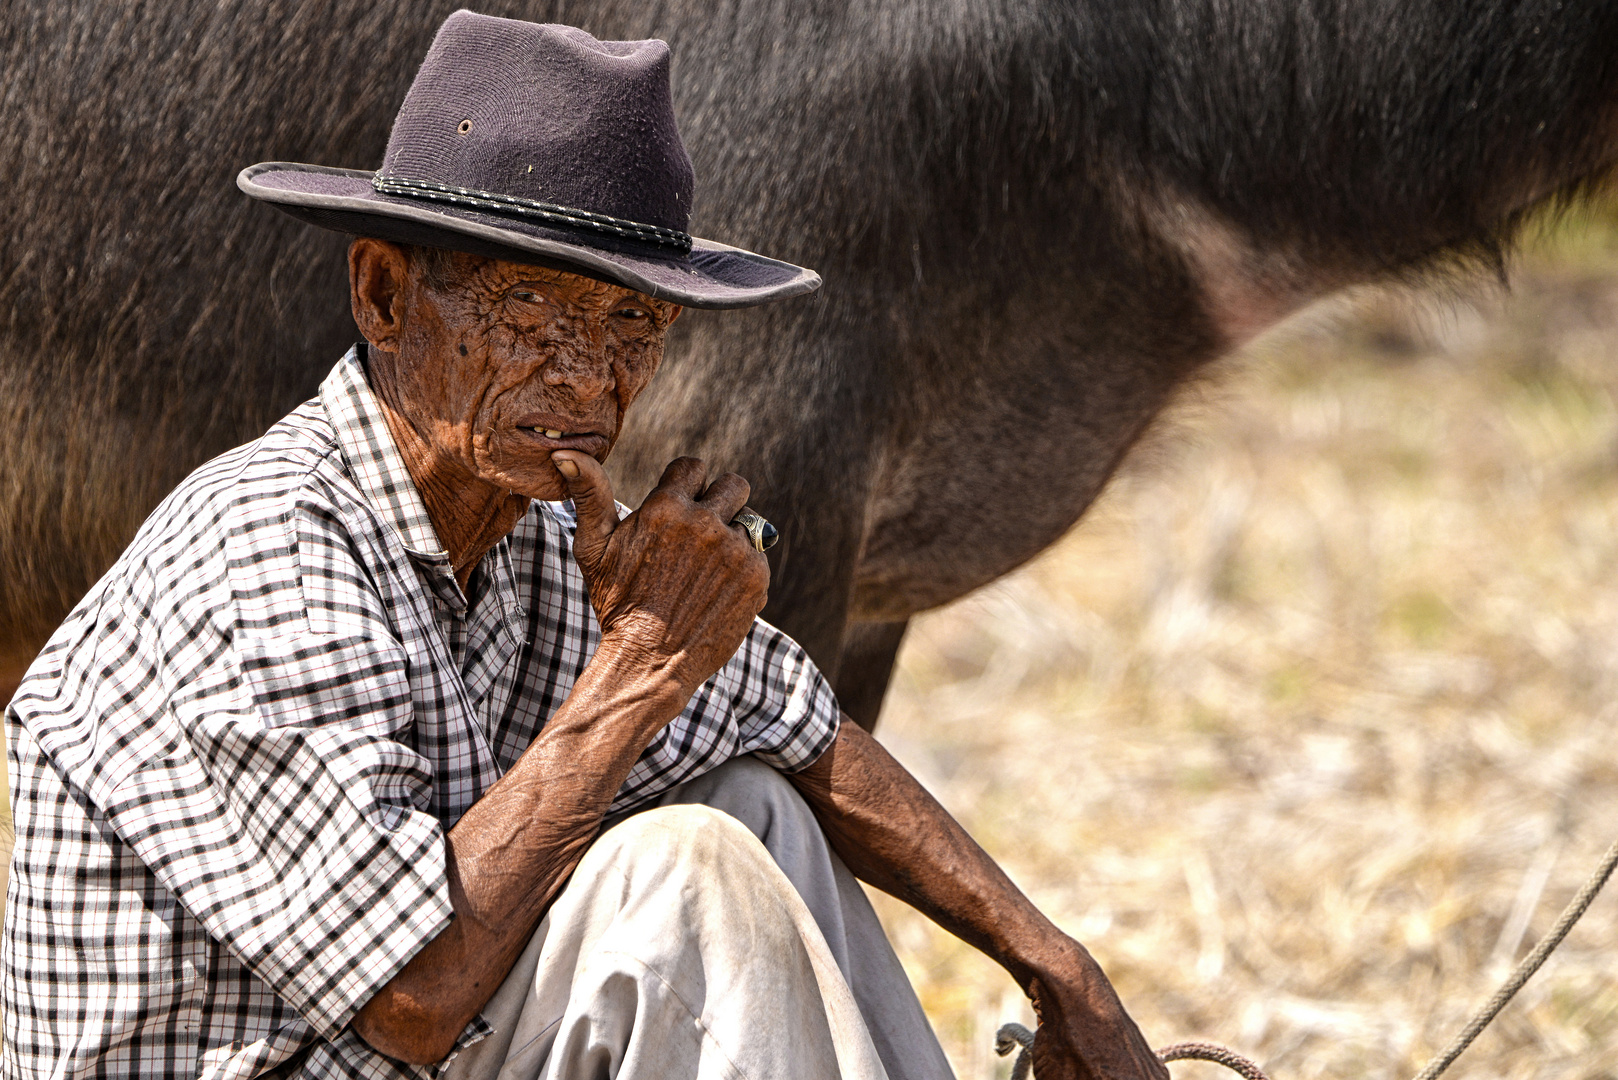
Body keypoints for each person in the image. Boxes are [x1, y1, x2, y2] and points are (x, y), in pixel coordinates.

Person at [2, 12, 1167, 1080]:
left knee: (755, 804)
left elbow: (796, 723)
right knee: (682, 878)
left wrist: (1058, 969)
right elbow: (411, 997)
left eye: (629, 324)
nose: (588, 381)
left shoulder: (529, 531)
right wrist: (643, 667)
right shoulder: (270, 549)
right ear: (383, 295)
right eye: (530, 312)